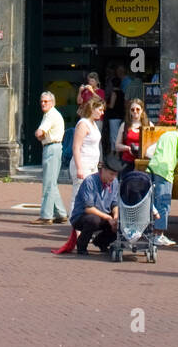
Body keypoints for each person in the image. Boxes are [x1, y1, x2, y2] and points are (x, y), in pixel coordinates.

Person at [53, 98, 105, 254]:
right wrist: (80, 167)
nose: (102, 112)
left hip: (92, 166)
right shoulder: (83, 124)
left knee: (91, 198)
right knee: (78, 198)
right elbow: (76, 147)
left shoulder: (93, 124)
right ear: (92, 108)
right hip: (82, 165)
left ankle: (85, 230)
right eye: (100, 109)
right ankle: (77, 231)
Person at [146, 119, 178, 246]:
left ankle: (151, 232)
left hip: (152, 167)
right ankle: (158, 235)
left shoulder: (165, 135)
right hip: (165, 170)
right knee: (163, 203)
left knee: (152, 202)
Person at [69, 156, 120, 255]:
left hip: (104, 215)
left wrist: (115, 217)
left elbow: (114, 203)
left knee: (122, 222)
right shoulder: (90, 181)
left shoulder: (114, 182)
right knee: (93, 220)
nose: (113, 177)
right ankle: (81, 245)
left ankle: (101, 242)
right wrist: (108, 218)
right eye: (111, 174)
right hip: (82, 216)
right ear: (103, 170)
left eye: (115, 175)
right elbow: (89, 209)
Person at [34, 91, 67, 224]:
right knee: (51, 182)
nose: (43, 103)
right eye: (41, 101)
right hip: (53, 147)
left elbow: (39, 132)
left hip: (51, 148)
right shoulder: (51, 114)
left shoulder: (50, 115)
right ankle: (60, 213)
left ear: (52, 103)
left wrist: (38, 134)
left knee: (48, 183)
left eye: (46, 101)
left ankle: (46, 215)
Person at [115, 99, 150, 173]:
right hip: (127, 162)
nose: (135, 111)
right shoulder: (124, 125)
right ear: (129, 111)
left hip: (143, 162)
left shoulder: (148, 125)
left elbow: (154, 144)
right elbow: (117, 146)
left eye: (138, 109)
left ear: (142, 110)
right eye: (132, 109)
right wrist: (128, 148)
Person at [105, 70, 125, 153]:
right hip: (120, 115)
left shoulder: (114, 93)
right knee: (118, 133)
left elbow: (111, 105)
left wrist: (105, 104)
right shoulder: (122, 93)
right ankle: (117, 151)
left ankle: (115, 151)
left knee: (114, 135)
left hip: (114, 116)